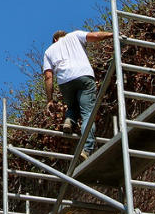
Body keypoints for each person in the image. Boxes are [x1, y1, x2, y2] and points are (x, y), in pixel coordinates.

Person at [43, 29, 113, 159]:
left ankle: (69, 120)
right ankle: (86, 149)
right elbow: (96, 36)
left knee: (72, 106)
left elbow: (48, 76)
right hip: (83, 76)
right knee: (88, 113)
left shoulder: (49, 51)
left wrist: (50, 100)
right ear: (64, 36)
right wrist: (112, 34)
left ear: (54, 40)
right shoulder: (75, 35)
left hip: (65, 82)